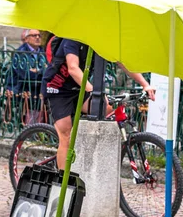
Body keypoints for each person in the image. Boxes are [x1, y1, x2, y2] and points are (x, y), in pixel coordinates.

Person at [42, 39, 156, 169]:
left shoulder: (100, 40)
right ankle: (63, 181)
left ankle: (83, 143)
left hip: (79, 88)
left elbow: (123, 63)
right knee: (66, 135)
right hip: (57, 90)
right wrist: (94, 92)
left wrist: (145, 84)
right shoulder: (73, 38)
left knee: (106, 108)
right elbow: (73, 68)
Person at [10, 29, 46, 122]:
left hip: (40, 86)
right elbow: (25, 74)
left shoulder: (43, 51)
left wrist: (37, 71)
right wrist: (41, 71)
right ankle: (31, 130)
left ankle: (44, 130)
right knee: (33, 98)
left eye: (39, 35)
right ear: (26, 39)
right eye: (34, 35)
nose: (37, 37)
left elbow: (49, 69)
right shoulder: (20, 53)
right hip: (24, 88)